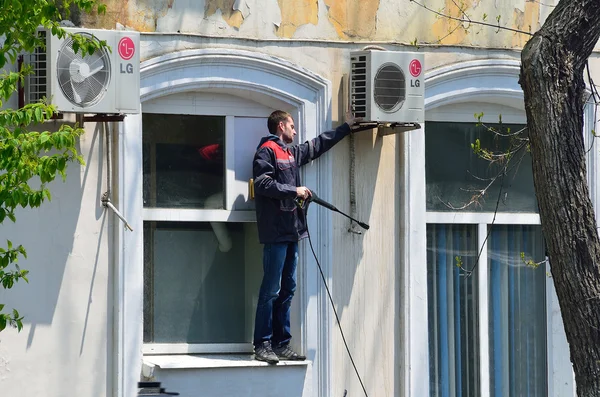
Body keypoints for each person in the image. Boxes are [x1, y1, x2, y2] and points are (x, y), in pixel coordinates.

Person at [252, 110, 361, 364]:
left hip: (292, 231)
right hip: (276, 233)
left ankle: (280, 344)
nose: (295, 130)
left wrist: (346, 126)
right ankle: (262, 344)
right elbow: (262, 184)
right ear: (281, 126)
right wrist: (295, 190)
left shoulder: (291, 152)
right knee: (271, 290)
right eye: (292, 126)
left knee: (287, 289)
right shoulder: (267, 151)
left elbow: (318, 145)